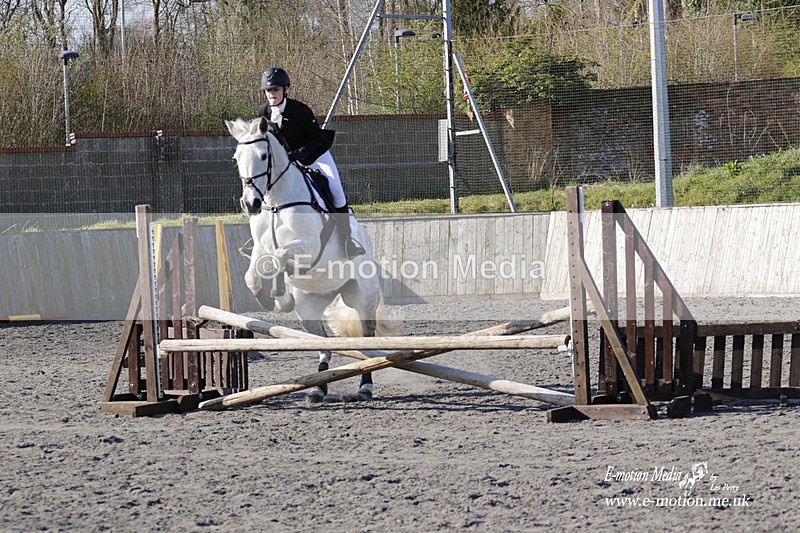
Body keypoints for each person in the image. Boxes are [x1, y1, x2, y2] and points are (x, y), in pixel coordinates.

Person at [256, 66, 365, 259]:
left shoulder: (300, 110)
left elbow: (317, 140)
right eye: (268, 90)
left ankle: (347, 240)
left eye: (275, 89)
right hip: (288, 162)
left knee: (335, 189)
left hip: (316, 155)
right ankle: (258, 240)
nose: (271, 94)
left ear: (284, 89)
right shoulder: (263, 112)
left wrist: (298, 155)